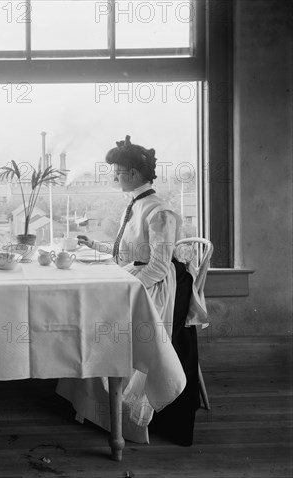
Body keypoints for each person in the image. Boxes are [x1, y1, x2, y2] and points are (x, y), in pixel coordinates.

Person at [56, 135, 199, 446]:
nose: (114, 177)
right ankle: (97, 406)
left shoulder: (159, 211)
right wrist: (95, 245)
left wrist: (128, 289)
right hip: (135, 276)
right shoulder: (135, 205)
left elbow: (158, 267)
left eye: (118, 172)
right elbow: (129, 252)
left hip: (154, 289)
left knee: (101, 325)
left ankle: (124, 416)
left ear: (134, 174)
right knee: (93, 318)